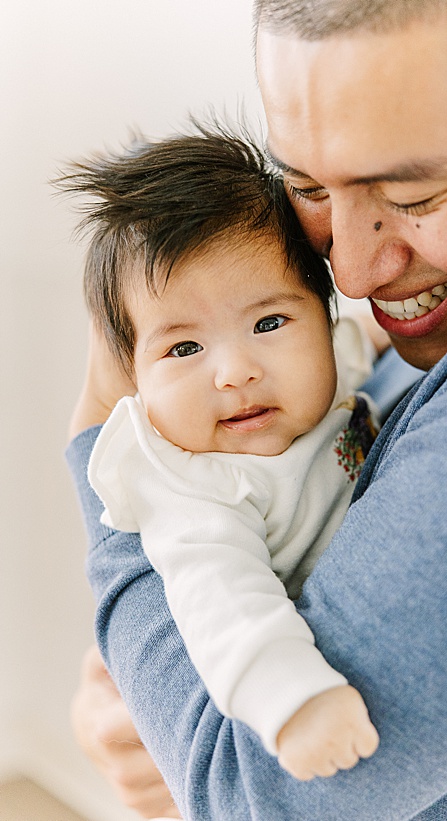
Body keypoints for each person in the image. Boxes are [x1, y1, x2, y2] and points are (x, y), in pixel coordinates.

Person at [66, 0, 447, 818]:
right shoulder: (391, 358)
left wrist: (106, 442)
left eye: (412, 194)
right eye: (308, 186)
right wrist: (150, 708)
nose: (352, 274)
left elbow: (243, 795)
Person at [60, 124, 383, 782]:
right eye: (183, 348)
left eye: (269, 322)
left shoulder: (330, 373)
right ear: (134, 383)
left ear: (324, 320)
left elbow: (359, 347)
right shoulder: (195, 488)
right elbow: (226, 606)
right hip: (274, 681)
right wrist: (298, 704)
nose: (235, 371)